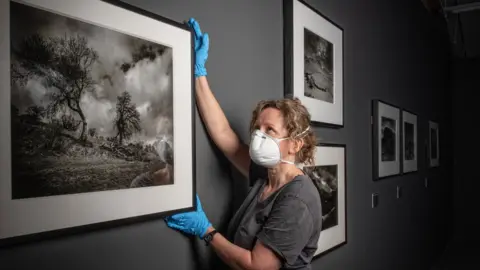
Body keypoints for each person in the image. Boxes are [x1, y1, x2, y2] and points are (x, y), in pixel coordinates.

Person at [164, 18, 322, 270]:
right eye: (258, 128)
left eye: (270, 130)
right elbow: (225, 135)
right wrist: (198, 73)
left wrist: (206, 230)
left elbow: (256, 266)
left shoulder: (297, 200)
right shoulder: (266, 175)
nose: (259, 136)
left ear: (295, 144)